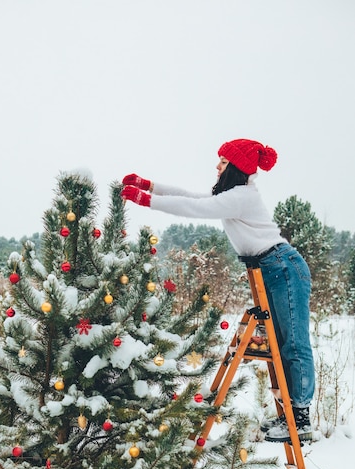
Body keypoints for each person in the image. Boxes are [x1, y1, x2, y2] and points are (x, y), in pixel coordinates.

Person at [120, 138, 314, 443]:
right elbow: (191, 196)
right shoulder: (232, 195)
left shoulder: (241, 196)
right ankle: (290, 415)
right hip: (271, 269)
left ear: (235, 167)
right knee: (282, 343)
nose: (217, 166)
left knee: (293, 343)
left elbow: (196, 208)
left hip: (283, 268)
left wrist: (147, 200)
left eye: (222, 162)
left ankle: (299, 419)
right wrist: (150, 185)